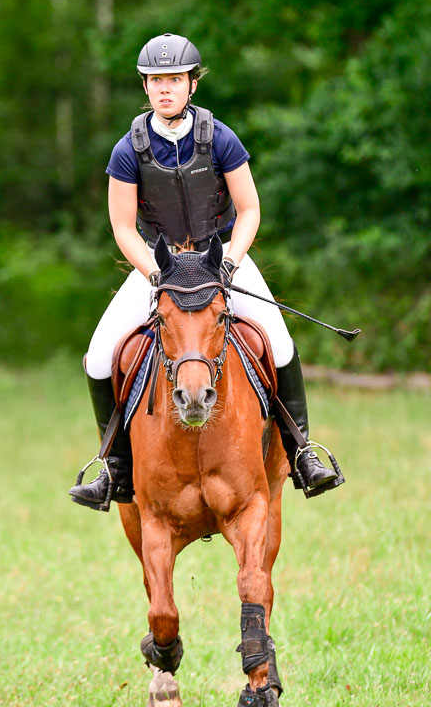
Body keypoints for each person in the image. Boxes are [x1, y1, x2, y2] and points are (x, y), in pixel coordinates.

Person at [69, 33, 343, 509]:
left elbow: (250, 209)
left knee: (278, 343)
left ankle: (303, 454)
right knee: (97, 357)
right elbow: (121, 226)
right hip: (161, 265)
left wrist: (232, 261)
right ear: (146, 86)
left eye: (174, 79)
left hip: (222, 259)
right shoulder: (126, 149)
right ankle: (113, 469)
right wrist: (156, 271)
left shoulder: (220, 138)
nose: (165, 89)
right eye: (156, 81)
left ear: (192, 84)